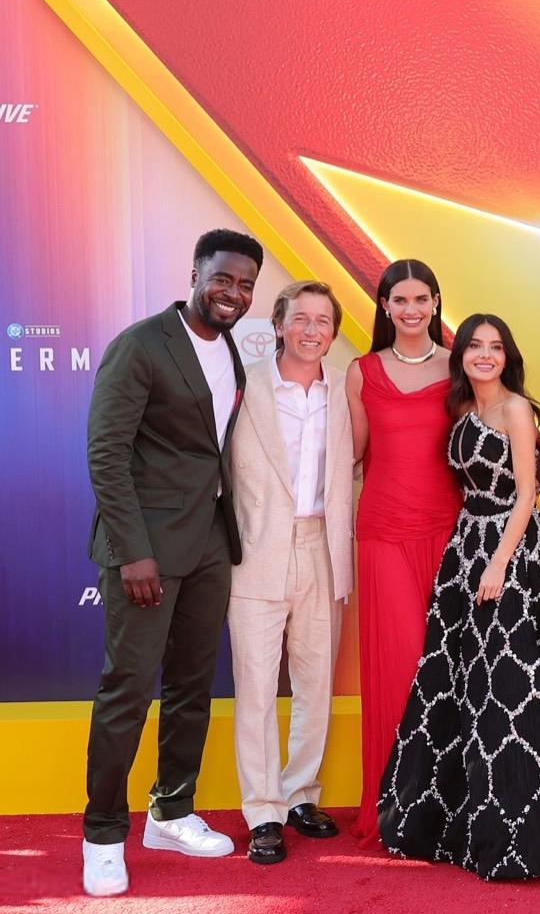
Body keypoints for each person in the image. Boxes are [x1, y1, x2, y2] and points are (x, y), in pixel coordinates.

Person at [379, 314, 540, 878]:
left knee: (514, 683)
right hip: (466, 548)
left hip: (514, 554)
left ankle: (524, 830)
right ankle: (466, 819)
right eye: (475, 346)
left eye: (496, 347)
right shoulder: (462, 408)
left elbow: (528, 494)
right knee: (462, 682)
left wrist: (499, 564)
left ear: (508, 356)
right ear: (460, 354)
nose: (485, 355)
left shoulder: (516, 410)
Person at [82, 229, 262, 897]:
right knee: (128, 690)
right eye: (223, 278)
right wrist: (133, 551)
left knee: (191, 686)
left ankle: (171, 811)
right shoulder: (141, 344)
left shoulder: (233, 351)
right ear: (195, 274)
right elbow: (106, 451)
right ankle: (103, 835)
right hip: (146, 549)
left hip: (210, 542)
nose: (233, 293)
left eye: (246, 285)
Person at [229, 281, 354, 864]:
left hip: (322, 547)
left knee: (314, 682)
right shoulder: (243, 382)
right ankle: (263, 810)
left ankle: (301, 792)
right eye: (300, 318)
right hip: (255, 551)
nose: (311, 330)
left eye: (322, 321)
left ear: (333, 332)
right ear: (277, 325)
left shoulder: (346, 390)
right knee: (256, 687)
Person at [345, 259, 462, 848]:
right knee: (401, 666)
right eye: (400, 300)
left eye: (421, 299)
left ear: (436, 302)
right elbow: (351, 454)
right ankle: (396, 811)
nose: (411, 310)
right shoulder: (362, 371)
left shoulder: (461, 365)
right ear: (385, 307)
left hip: (450, 530)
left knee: (448, 667)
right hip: (384, 532)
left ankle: (447, 810)